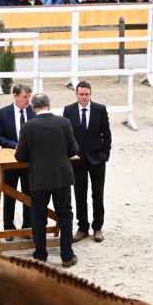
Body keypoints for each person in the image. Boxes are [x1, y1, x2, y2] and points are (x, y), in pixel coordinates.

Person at [15, 93, 79, 267]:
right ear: (49, 105)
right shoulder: (64, 123)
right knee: (65, 215)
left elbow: (20, 156)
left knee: (39, 217)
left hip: (39, 178)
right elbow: (73, 149)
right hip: (62, 177)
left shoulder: (28, 126)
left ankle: (41, 254)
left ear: (33, 108)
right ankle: (66, 255)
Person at [63, 81, 111, 243]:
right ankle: (83, 228)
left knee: (97, 194)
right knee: (79, 194)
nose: (84, 97)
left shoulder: (100, 109)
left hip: (97, 159)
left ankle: (97, 228)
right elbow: (66, 136)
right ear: (76, 94)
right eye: (81, 94)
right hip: (77, 160)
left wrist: (105, 154)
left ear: (91, 94)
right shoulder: (68, 110)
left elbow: (107, 134)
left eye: (86, 94)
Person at [0, 84, 36, 236]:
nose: (28, 100)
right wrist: (14, 145)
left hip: (29, 162)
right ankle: (9, 228)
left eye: (29, 96)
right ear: (15, 96)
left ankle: (27, 227)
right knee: (9, 195)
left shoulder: (33, 111)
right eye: (25, 97)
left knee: (28, 194)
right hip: (9, 161)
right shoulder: (4, 113)